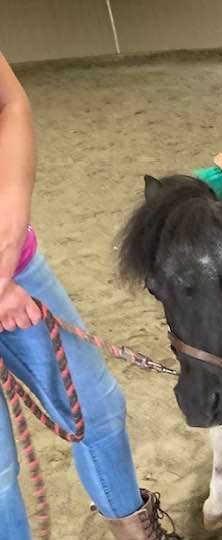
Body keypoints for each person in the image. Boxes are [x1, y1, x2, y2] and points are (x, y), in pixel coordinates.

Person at [0, 52, 180, 539]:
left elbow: (9, 102)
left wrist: (7, 244)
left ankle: (134, 531)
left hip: (15, 265)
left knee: (96, 411)